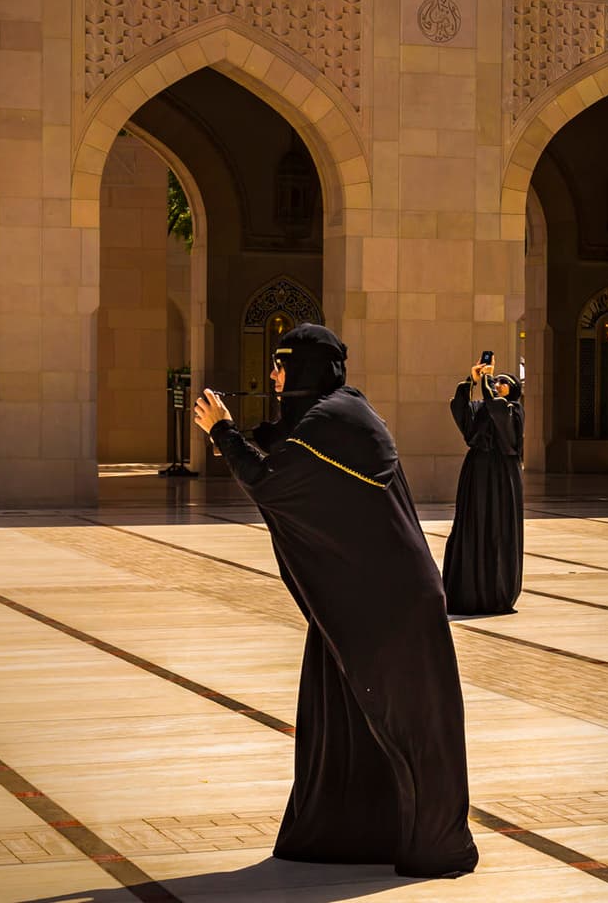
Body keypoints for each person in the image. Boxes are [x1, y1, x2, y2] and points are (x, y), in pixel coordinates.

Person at [192, 323, 479, 879]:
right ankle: (350, 836)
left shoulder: (341, 420)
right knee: (342, 721)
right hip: (357, 602)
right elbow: (280, 445)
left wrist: (223, 432)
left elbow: (271, 480)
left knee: (410, 726)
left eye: (282, 365)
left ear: (306, 369)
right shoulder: (328, 418)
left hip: (392, 607)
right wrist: (231, 430)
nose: (273, 375)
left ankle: (436, 843)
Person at [441, 360, 524, 615]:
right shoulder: (480, 410)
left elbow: (499, 413)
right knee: (472, 525)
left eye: (503, 382)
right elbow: (460, 410)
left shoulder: (513, 410)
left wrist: (487, 384)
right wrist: (472, 380)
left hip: (501, 477)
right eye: (495, 380)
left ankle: (495, 591)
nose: (497, 384)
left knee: (496, 527)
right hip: (476, 474)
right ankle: (467, 591)